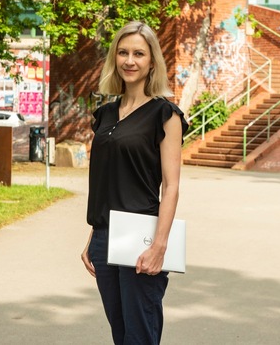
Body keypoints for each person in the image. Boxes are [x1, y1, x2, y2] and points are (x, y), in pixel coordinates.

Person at [81, 21, 189, 344]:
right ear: (115, 58)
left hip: (142, 237)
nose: (130, 60)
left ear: (152, 61)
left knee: (140, 336)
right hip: (104, 237)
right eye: (123, 52)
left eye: (139, 54)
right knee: (121, 334)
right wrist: (93, 235)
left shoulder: (165, 115)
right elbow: (109, 181)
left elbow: (171, 186)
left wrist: (160, 245)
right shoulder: (105, 115)